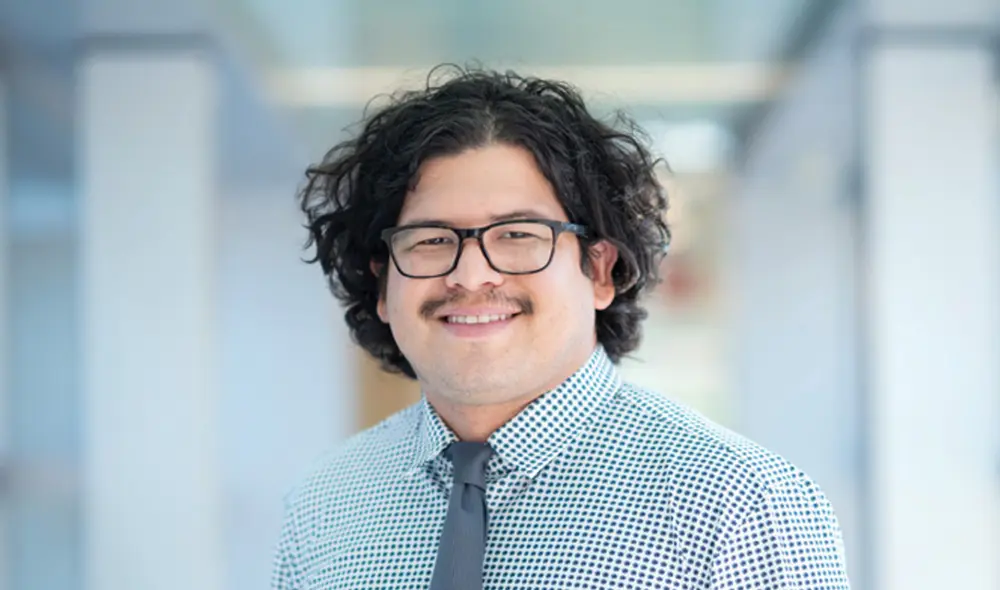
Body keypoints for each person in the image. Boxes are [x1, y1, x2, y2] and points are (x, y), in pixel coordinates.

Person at [272, 65, 851, 590]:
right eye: (430, 240)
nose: (471, 275)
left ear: (600, 270)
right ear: (382, 286)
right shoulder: (326, 503)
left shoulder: (741, 504)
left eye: (518, 234)